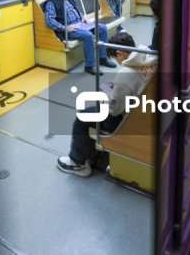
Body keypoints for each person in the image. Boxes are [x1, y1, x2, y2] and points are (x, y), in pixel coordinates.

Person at [57, 32, 156, 177]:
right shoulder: (147, 57)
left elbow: (114, 110)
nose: (117, 61)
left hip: (126, 119)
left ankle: (78, 163)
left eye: (116, 58)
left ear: (119, 54)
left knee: (82, 117)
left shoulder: (126, 73)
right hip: (145, 111)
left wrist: (107, 96)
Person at [44, 0, 117, 76]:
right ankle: (89, 66)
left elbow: (76, 9)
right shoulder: (52, 2)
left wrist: (83, 17)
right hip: (68, 29)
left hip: (80, 23)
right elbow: (49, 21)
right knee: (88, 35)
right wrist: (65, 28)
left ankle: (102, 58)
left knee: (102, 28)